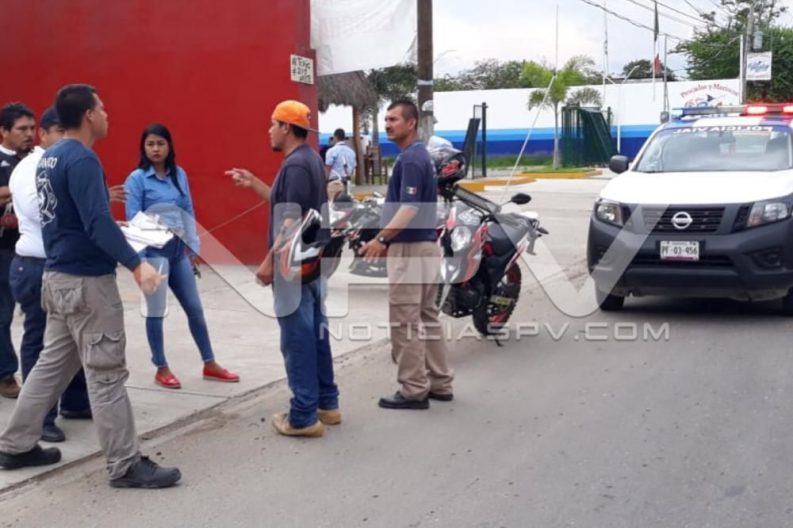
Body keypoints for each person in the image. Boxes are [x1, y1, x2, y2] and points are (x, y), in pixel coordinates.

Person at [0, 84, 180, 489]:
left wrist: (115, 232)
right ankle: (126, 464)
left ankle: (15, 444)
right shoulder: (81, 159)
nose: (107, 114)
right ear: (87, 116)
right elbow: (95, 222)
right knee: (106, 372)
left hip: (58, 277)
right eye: (102, 108)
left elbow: (72, 220)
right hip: (87, 284)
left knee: (50, 366)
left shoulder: (50, 158)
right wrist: (136, 265)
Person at [227, 99, 339, 438]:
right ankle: (327, 404)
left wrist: (267, 262)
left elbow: (290, 221)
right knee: (315, 332)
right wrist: (255, 183)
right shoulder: (309, 161)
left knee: (297, 339)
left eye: (273, 124)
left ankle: (303, 416)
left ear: (286, 128)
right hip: (311, 264)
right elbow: (288, 205)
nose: (269, 130)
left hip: (293, 267)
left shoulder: (295, 166)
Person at [124, 123, 239, 389]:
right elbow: (133, 219)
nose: (155, 149)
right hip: (154, 253)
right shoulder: (137, 179)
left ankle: (210, 363)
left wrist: (193, 247)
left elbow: (187, 210)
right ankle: (161, 367)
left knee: (195, 309)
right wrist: (140, 262)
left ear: (169, 146)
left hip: (178, 253)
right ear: (143, 147)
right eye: (150, 144)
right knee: (156, 312)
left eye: (160, 144)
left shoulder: (179, 175)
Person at [360, 98, 454, 410]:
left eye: (394, 119)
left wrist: (382, 239)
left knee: (405, 321)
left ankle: (414, 390)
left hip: (411, 249)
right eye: (386, 119)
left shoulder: (411, 159)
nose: (388, 124)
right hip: (425, 247)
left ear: (411, 123)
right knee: (427, 317)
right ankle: (440, 384)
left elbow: (410, 207)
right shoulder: (417, 156)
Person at [8, 107, 92, 444]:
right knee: (41, 343)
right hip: (36, 266)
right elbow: (42, 212)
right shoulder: (33, 167)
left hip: (62, 263)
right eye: (59, 131)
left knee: (70, 339)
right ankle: (40, 418)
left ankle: (74, 402)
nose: (65, 138)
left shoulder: (65, 163)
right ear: (45, 135)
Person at [0, 103, 36, 399]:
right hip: (2, 250)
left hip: (31, 252)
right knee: (2, 314)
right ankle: (5, 373)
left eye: (32, 129)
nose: (29, 134)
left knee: (37, 317)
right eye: (22, 129)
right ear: (4, 132)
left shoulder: (36, 159)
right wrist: (16, 188)